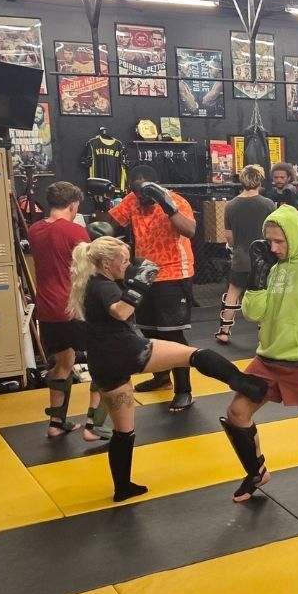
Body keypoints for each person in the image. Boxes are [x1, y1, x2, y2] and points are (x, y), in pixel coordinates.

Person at [68, 236, 267, 502]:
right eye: (124, 261)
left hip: (103, 363)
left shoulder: (94, 281)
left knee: (123, 430)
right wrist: (139, 283)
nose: (128, 265)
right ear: (106, 264)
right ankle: (247, 384)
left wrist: (132, 276)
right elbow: (120, 312)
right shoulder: (103, 286)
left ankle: (123, 487)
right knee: (193, 355)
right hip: (126, 351)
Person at [217, 205, 298, 503]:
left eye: (280, 241)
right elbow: (252, 313)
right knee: (237, 413)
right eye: (270, 241)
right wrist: (258, 278)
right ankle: (256, 471)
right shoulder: (273, 268)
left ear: (295, 235)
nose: (274, 248)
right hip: (268, 358)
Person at [102, 164, 197, 411]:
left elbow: (190, 230)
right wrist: (101, 200)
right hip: (144, 274)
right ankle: (162, 377)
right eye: (136, 192)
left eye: (144, 193)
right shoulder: (132, 200)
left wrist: (168, 206)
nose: (140, 198)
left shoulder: (176, 200)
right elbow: (107, 226)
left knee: (173, 334)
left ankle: (184, 390)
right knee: (150, 331)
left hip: (174, 273)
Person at [28, 181, 109, 440]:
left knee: (63, 363)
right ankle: (94, 426)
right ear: (73, 205)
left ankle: (55, 423)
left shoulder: (35, 229)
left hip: (47, 310)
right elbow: (89, 270)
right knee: (103, 362)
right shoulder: (75, 231)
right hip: (74, 308)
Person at [218, 164, 275, 345]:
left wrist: (234, 246)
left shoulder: (230, 205)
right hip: (263, 259)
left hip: (241, 257)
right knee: (264, 295)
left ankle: (224, 332)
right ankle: (264, 335)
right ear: (260, 181)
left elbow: (229, 236)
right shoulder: (267, 204)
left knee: (233, 293)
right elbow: (274, 232)